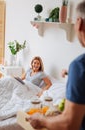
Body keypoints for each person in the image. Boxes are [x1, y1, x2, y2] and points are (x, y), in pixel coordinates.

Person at [27, 1, 85, 130]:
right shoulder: (78, 69)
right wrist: (71, 73)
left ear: (79, 23)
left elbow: (69, 123)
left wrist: (42, 121)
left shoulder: (80, 66)